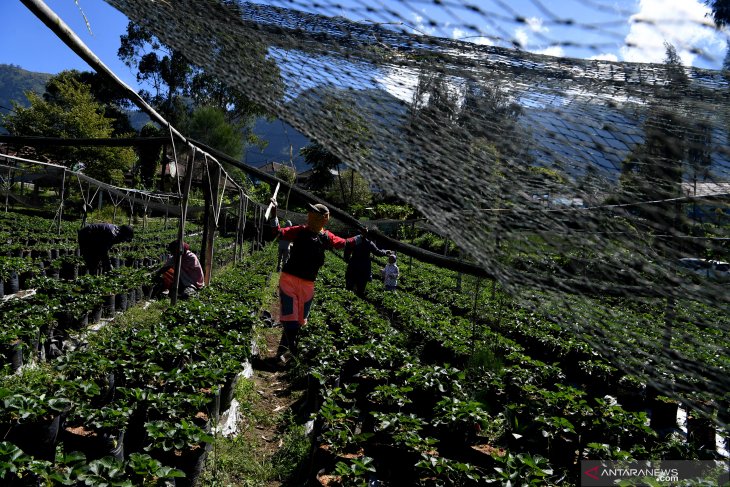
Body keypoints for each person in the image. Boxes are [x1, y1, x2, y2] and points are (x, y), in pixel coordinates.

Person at [269, 201, 362, 362]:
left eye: (316, 214)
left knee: (300, 320)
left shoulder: (326, 237)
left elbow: (344, 244)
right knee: (290, 318)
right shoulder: (300, 231)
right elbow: (277, 233)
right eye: (311, 213)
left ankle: (289, 351)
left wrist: (362, 236)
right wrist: (274, 213)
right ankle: (291, 350)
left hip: (307, 283)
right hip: (290, 279)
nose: (311, 216)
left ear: (324, 218)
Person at [344, 229, 388, 297]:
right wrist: (385, 252)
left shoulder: (355, 240)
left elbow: (347, 248)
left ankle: (349, 299)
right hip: (364, 267)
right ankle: (357, 299)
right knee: (360, 288)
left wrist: (347, 259)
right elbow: (378, 252)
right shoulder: (369, 243)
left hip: (354, 265)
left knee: (350, 286)